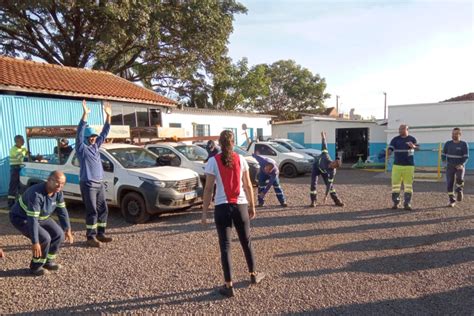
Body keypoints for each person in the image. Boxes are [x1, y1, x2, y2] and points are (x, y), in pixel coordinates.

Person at [202, 130, 265, 298]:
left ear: (219, 143)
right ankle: (253, 275)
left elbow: (208, 189)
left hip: (222, 208)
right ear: (233, 142)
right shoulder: (241, 159)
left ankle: (229, 286)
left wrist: (204, 213)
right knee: (246, 241)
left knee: (225, 246)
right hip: (240, 206)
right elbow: (248, 185)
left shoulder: (212, 161)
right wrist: (252, 206)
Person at [9, 171, 73, 276]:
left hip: (42, 217)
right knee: (44, 238)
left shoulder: (58, 192)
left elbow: (62, 211)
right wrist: (35, 242)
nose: (60, 186)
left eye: (62, 184)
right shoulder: (36, 194)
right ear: (48, 181)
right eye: (57, 182)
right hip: (22, 218)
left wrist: (67, 228)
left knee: (59, 235)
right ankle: (36, 267)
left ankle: (48, 262)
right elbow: (32, 219)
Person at [76, 99, 113, 247]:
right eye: (91, 137)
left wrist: (108, 116)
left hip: (99, 184)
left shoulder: (96, 146)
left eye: (94, 137)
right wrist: (85, 115)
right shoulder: (81, 149)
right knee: (92, 211)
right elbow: (79, 133)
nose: (94, 138)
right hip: (88, 184)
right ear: (86, 138)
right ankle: (90, 237)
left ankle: (101, 233)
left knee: (103, 209)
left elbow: (105, 132)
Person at [388, 124, 419, 210]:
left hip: (409, 166)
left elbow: (418, 148)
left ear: (407, 129)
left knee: (408, 185)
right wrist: (389, 152)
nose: (400, 130)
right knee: (395, 185)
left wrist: (413, 146)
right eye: (399, 129)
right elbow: (390, 148)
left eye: (402, 129)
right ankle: (396, 202)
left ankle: (407, 203)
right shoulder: (395, 139)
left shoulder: (412, 139)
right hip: (397, 166)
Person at [309, 132, 344, 207]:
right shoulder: (326, 156)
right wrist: (323, 137)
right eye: (333, 163)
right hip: (316, 167)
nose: (331, 165)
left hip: (324, 172)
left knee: (331, 187)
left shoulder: (332, 172)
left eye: (333, 166)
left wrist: (325, 196)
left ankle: (337, 200)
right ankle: (313, 201)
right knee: (313, 184)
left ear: (335, 168)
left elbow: (329, 184)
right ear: (333, 161)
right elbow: (324, 145)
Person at [442, 128, 469, 207]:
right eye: (453, 134)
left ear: (460, 135)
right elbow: (443, 155)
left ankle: (459, 190)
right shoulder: (448, 144)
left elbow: (466, 156)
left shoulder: (463, 144)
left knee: (459, 178)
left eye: (456, 134)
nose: (454, 135)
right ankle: (452, 201)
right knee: (449, 183)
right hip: (450, 166)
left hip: (459, 165)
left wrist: (462, 164)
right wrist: (444, 163)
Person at [8, 135, 28, 207]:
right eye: (22, 140)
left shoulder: (23, 148)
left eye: (23, 140)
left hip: (22, 168)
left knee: (21, 186)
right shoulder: (13, 149)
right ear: (17, 141)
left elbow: (28, 155)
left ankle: (20, 203)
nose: (24, 142)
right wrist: (27, 155)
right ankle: (11, 204)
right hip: (15, 169)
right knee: (13, 186)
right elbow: (21, 158)